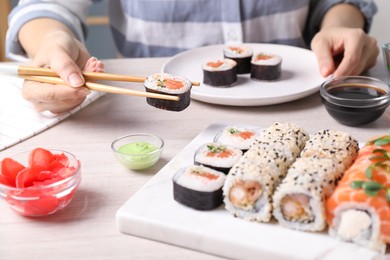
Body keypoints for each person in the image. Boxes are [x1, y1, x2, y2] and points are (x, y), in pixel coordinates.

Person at [6, 0, 379, 114]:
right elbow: (45, 6)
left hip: (306, 100)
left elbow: (339, 2)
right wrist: (51, 41)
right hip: (155, 114)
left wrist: (340, 26)